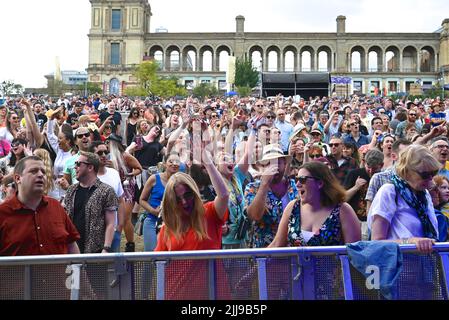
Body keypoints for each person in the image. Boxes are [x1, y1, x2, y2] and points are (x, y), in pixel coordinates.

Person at [154, 148, 230, 299]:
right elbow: (159, 265)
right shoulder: (168, 228)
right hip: (176, 294)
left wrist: (208, 163)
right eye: (178, 199)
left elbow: (224, 194)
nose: (184, 202)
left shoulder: (209, 214)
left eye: (188, 195)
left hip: (212, 294)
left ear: (195, 193)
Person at [0, 156, 80, 255]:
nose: (41, 175)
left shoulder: (56, 206)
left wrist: (77, 269)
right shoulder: (2, 213)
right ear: (18, 178)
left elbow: (71, 244)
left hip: (59, 271)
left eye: (43, 172)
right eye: (33, 171)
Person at [269, 161, 361, 247]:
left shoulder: (343, 210)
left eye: (302, 180)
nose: (297, 184)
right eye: (297, 179)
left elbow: (354, 254)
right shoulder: (292, 207)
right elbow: (277, 244)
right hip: (296, 265)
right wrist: (256, 259)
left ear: (320, 183)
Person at [368, 145, 440, 253]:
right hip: (397, 266)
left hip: (424, 264)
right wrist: (410, 241)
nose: (430, 179)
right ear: (406, 171)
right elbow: (376, 242)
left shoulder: (424, 194)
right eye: (424, 174)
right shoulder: (389, 191)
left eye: (433, 173)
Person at [63, 152, 118, 254]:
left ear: (90, 168)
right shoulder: (71, 190)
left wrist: (106, 249)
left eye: (78, 164)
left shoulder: (106, 191)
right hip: (72, 250)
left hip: (95, 252)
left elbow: (111, 223)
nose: (75, 167)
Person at [245, 144, 298, 248]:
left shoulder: (294, 186)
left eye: (278, 162)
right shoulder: (252, 188)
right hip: (263, 251)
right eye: (269, 163)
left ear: (284, 163)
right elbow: (255, 216)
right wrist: (264, 184)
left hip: (290, 250)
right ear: (262, 166)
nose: (274, 167)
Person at [139, 153, 181, 251]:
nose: (174, 164)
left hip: (172, 223)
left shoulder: (180, 181)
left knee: (169, 255)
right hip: (152, 221)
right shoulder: (154, 178)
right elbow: (142, 200)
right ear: (165, 164)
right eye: (171, 161)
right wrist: (153, 211)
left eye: (177, 162)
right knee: (151, 255)